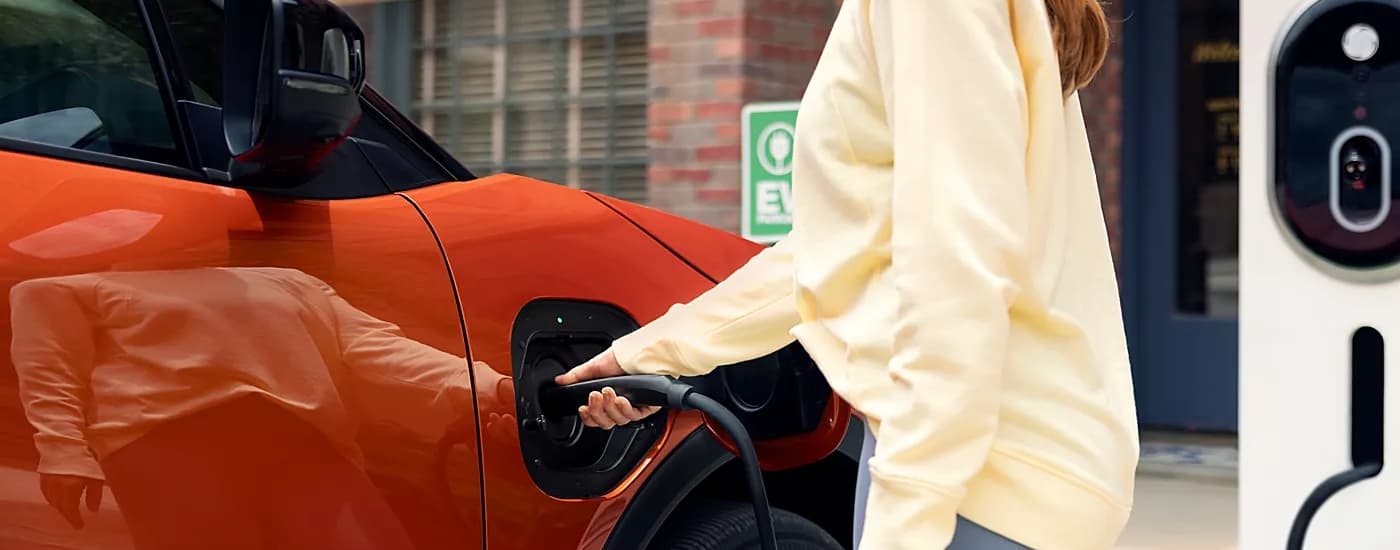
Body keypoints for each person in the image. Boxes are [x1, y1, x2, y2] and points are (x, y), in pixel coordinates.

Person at [556, 0, 1138, 549]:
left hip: (981, 483)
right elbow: (843, 245)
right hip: (1006, 465)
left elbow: (956, 266)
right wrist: (650, 354)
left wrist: (906, 515)